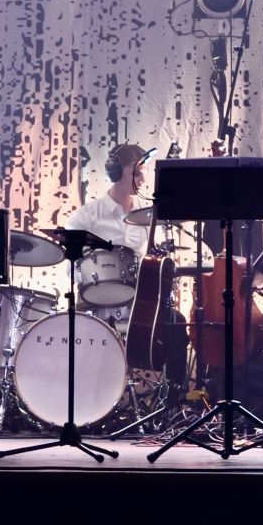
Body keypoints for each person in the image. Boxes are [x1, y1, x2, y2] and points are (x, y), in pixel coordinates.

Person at [65, 143, 190, 388]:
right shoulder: (87, 216)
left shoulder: (149, 219)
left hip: (138, 304)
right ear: (116, 172)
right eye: (137, 171)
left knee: (176, 322)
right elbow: (71, 266)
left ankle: (173, 400)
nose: (143, 178)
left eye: (143, 171)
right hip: (94, 303)